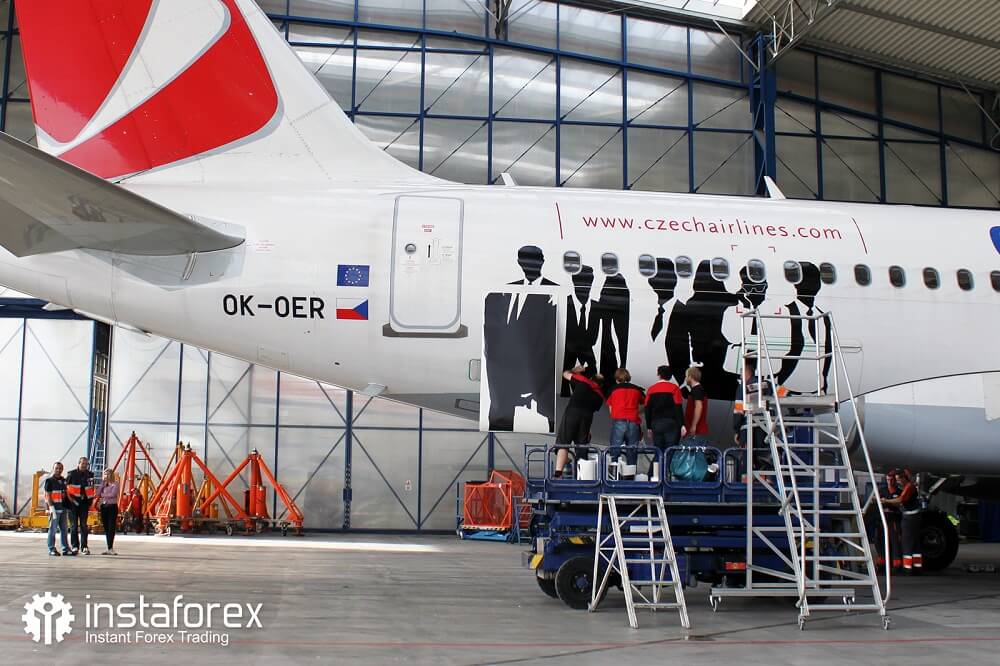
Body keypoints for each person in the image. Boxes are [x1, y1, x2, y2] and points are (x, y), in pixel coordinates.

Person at [553, 366, 605, 478]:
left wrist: (575, 370)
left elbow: (565, 374)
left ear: (591, 378)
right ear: (601, 385)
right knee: (582, 446)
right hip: (587, 418)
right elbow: (592, 410)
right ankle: (582, 476)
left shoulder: (583, 381)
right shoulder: (600, 396)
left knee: (563, 443)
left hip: (572, 413)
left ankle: (558, 473)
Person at [644, 365, 685, 474]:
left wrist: (649, 427)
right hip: (671, 424)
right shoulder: (674, 388)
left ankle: (653, 476)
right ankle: (664, 476)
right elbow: (678, 408)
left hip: (656, 423)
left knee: (658, 451)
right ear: (670, 376)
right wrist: (682, 425)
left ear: (659, 375)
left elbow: (647, 409)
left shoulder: (651, 389)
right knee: (669, 452)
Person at [733, 359, 771, 470]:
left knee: (748, 459)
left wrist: (737, 430)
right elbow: (784, 393)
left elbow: (738, 411)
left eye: (741, 373)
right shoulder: (766, 384)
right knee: (763, 456)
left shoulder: (743, 388)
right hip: (765, 427)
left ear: (746, 372)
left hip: (748, 429)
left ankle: (748, 478)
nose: (740, 376)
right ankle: (765, 476)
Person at [883, 468, 922, 573]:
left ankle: (907, 568)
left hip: (909, 518)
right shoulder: (909, 486)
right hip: (914, 516)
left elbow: (900, 499)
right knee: (915, 542)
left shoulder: (909, 487)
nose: (897, 482)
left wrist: (886, 501)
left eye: (898, 480)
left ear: (904, 478)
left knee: (906, 542)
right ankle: (917, 566)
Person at [606, 368, 645, 466]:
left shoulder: (613, 390)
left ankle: (614, 473)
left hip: (618, 421)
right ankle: (631, 474)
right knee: (632, 452)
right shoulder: (637, 389)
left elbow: (611, 408)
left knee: (615, 451)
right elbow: (646, 404)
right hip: (633, 422)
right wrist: (637, 412)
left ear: (616, 378)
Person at [65, 456, 96, 555]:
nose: (84, 465)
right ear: (78, 464)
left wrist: (90, 501)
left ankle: (84, 547)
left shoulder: (90, 475)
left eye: (86, 464)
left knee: (83, 525)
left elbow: (92, 488)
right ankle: (75, 546)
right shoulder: (71, 474)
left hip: (84, 503)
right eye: (82, 463)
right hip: (73, 503)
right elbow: (66, 489)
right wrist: (70, 500)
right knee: (74, 526)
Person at [43, 462, 72, 556]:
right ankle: (51, 549)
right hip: (54, 509)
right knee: (52, 530)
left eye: (60, 468)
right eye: (56, 468)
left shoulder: (63, 481)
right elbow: (48, 496)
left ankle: (65, 548)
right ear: (53, 469)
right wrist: (51, 508)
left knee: (64, 530)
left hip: (63, 509)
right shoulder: (49, 481)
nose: (58, 470)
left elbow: (65, 494)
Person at [95, 468, 120, 555]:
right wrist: (102, 484)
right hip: (104, 507)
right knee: (106, 527)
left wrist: (103, 495)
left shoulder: (115, 484)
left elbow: (113, 494)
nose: (106, 476)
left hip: (112, 507)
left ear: (112, 475)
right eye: (105, 474)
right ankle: (108, 547)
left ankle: (111, 547)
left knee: (111, 527)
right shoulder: (104, 484)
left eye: (108, 474)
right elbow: (97, 493)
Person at [681, 366, 709, 442]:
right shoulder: (698, 389)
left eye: (686, 376)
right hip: (696, 430)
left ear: (690, 377)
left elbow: (698, 407)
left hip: (696, 431)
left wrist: (693, 426)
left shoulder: (697, 390)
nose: (685, 379)